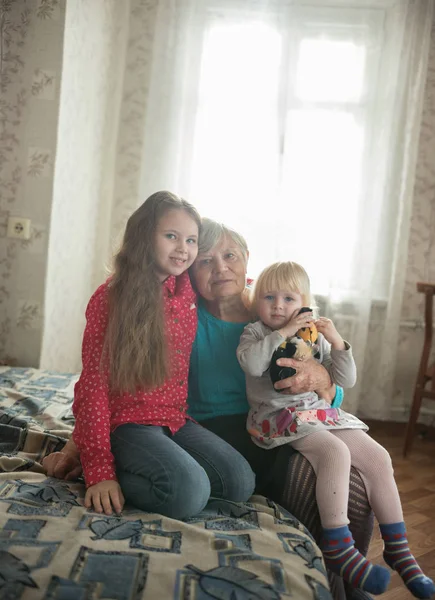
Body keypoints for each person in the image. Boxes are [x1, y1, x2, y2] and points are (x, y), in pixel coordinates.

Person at [44, 217, 374, 600]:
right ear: (191, 269)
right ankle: (328, 585)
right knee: (293, 479)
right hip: (205, 431)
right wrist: (81, 445)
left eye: (230, 256)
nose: (221, 269)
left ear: (247, 260)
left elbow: (330, 392)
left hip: (280, 425)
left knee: (353, 477)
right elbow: (122, 379)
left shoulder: (275, 308)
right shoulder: (182, 311)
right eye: (206, 261)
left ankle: (347, 587)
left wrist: (322, 381)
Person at [237, 261, 435, 598]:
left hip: (319, 411)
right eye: (268, 297)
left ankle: (398, 547)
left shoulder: (312, 334)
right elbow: (253, 363)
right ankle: (339, 545)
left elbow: (345, 380)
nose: (278, 306)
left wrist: (337, 341)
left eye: (288, 298)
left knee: (377, 457)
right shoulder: (255, 333)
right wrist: (282, 334)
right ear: (257, 301)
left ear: (305, 302)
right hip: (279, 418)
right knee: (334, 452)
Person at [61, 192, 255, 520]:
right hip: (127, 421)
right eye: (171, 236)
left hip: (175, 419)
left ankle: (166, 469)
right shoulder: (111, 298)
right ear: (143, 236)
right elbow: (93, 384)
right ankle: (114, 468)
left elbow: (225, 277)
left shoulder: (185, 289)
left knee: (239, 482)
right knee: (188, 493)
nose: (183, 248)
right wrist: (99, 472)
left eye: (191, 240)